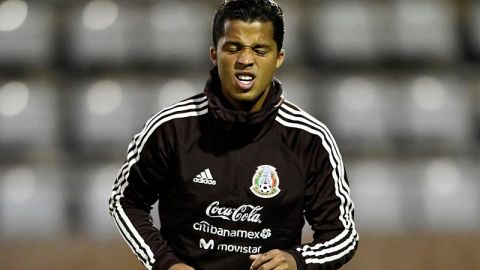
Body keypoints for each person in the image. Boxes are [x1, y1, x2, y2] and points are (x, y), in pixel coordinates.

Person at [108, 0, 358, 269]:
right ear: (215, 55)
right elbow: (124, 201)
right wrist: (165, 263)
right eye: (233, 48)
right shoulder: (171, 128)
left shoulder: (309, 139)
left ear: (278, 58)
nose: (245, 60)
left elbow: (342, 235)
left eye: (260, 50)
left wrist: (297, 261)